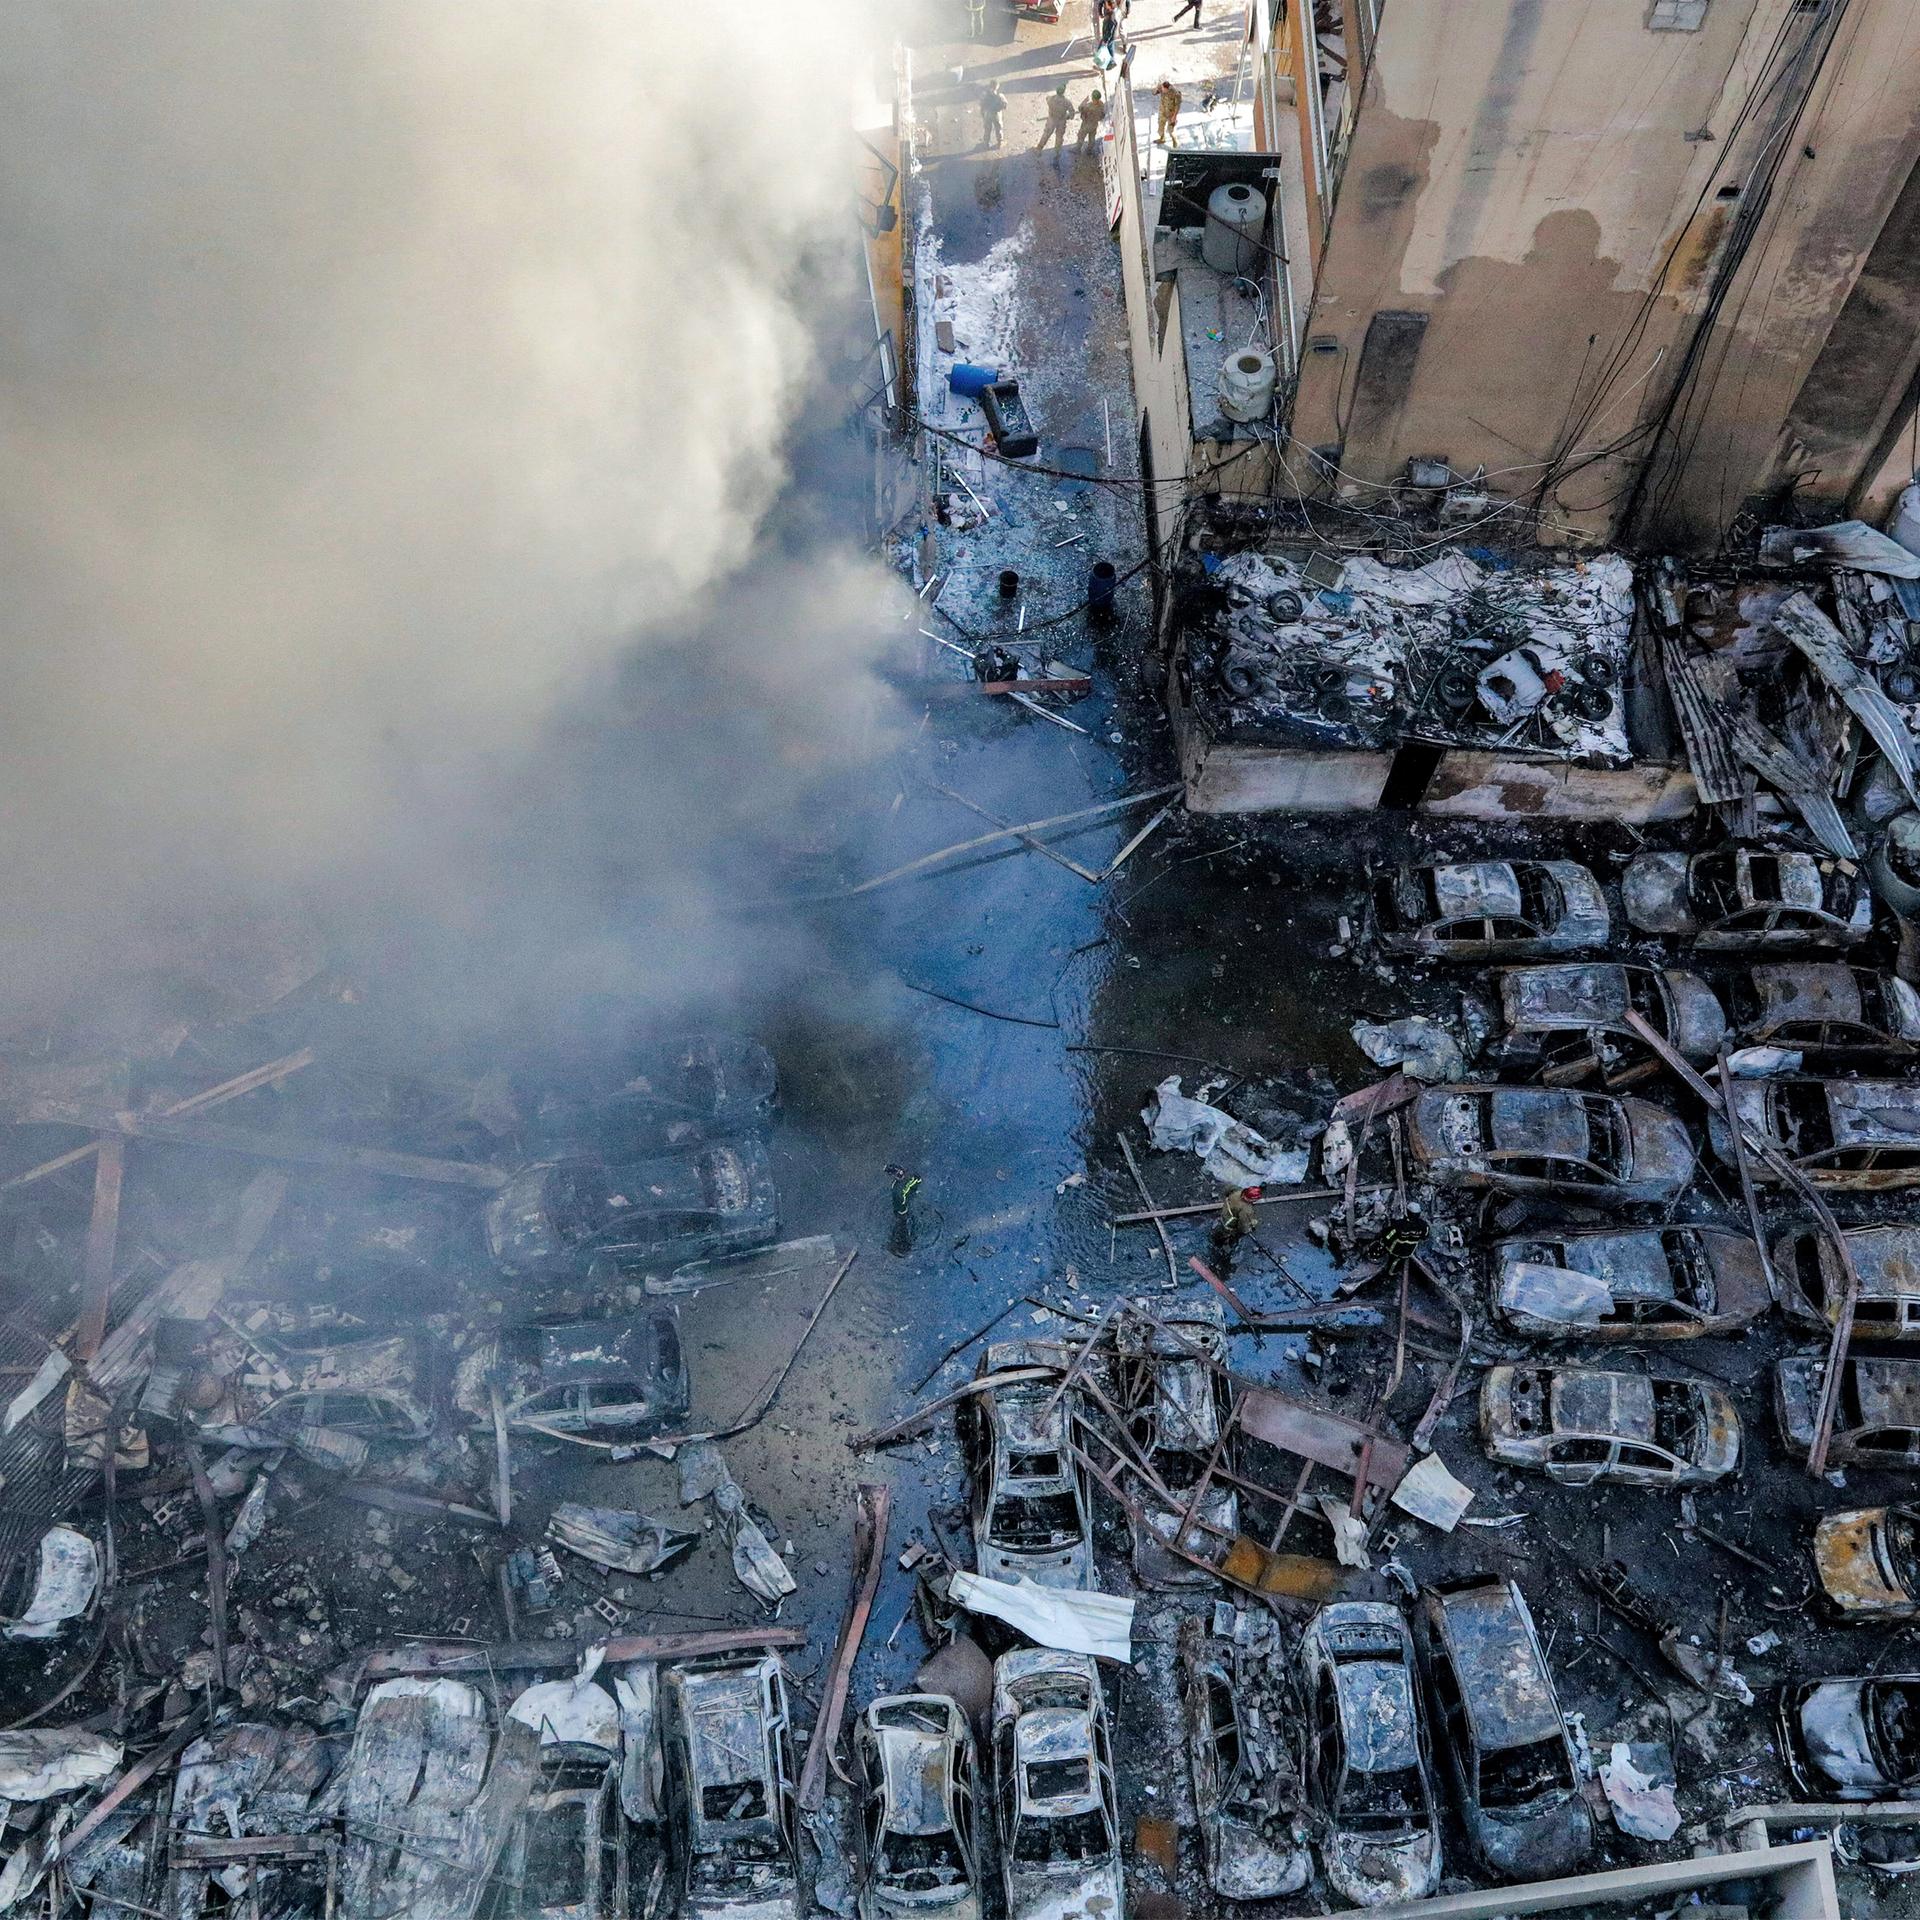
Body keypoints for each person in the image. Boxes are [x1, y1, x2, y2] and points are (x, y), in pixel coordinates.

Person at [1038, 81, 1073, 157]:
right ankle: (1057, 152)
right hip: (1061, 121)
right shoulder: (1067, 102)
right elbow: (1072, 115)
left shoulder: (1051, 99)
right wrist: (1067, 116)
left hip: (1051, 120)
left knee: (1046, 134)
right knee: (1059, 136)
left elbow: (1047, 99)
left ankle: (1039, 148)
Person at [1075, 88, 1106, 153]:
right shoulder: (1101, 104)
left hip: (1086, 125)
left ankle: (1077, 149)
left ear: (1093, 98)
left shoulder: (1088, 106)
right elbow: (1102, 115)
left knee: (1081, 136)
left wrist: (1085, 101)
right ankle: (1089, 150)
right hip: (1094, 125)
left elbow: (1080, 108)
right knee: (1092, 138)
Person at [1154, 78, 1182, 145]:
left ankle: (1175, 141)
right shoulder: (1161, 88)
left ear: (1167, 88)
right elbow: (1154, 93)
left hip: (1171, 114)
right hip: (1162, 112)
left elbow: (1177, 107)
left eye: (1163, 89)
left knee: (1170, 131)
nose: (1162, 90)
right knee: (1160, 128)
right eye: (1162, 88)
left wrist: (1174, 117)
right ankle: (1162, 139)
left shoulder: (1175, 94)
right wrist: (1157, 88)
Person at [980, 77, 1007, 148]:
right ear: (997, 86)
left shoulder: (984, 95)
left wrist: (982, 113)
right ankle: (1000, 142)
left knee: (987, 128)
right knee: (998, 128)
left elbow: (981, 104)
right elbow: (1005, 105)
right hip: (996, 115)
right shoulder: (1000, 96)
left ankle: (986, 143)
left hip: (987, 114)